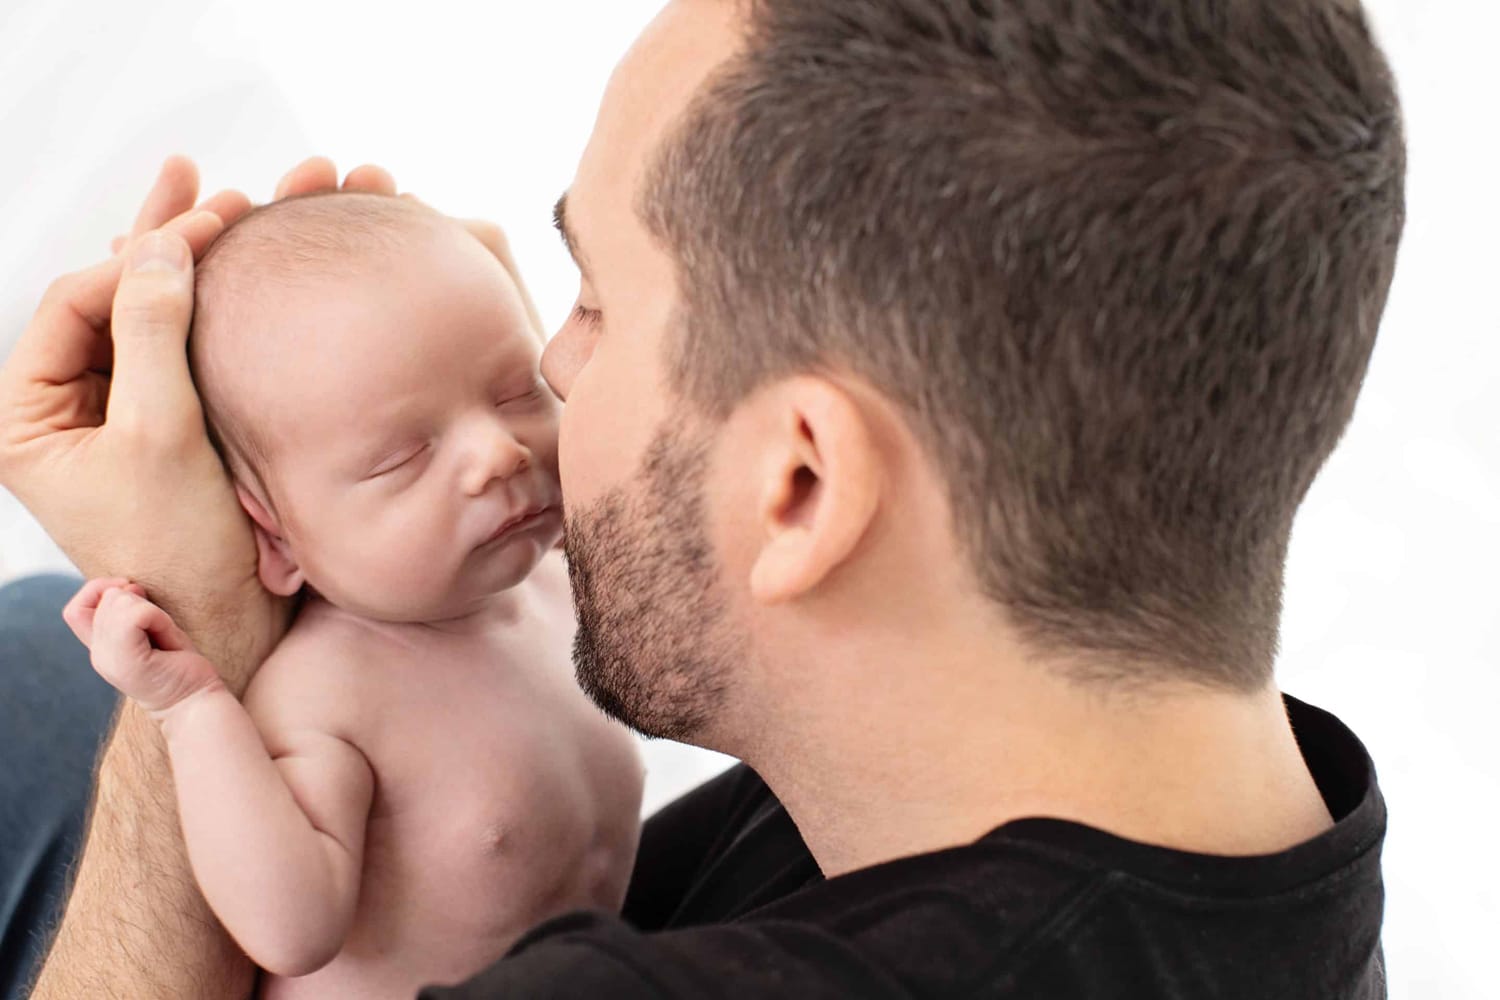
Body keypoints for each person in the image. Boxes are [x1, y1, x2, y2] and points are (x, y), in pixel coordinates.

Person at [0, 0, 1404, 996]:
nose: (553, 366)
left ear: (800, 483)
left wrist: (193, 634)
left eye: (595, 306)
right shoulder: (1246, 808)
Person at [58, 193, 644, 998]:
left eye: (514, 393)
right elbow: (289, 930)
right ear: (273, 537)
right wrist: (191, 709)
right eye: (403, 458)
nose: (499, 454)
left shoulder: (564, 582)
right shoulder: (330, 690)